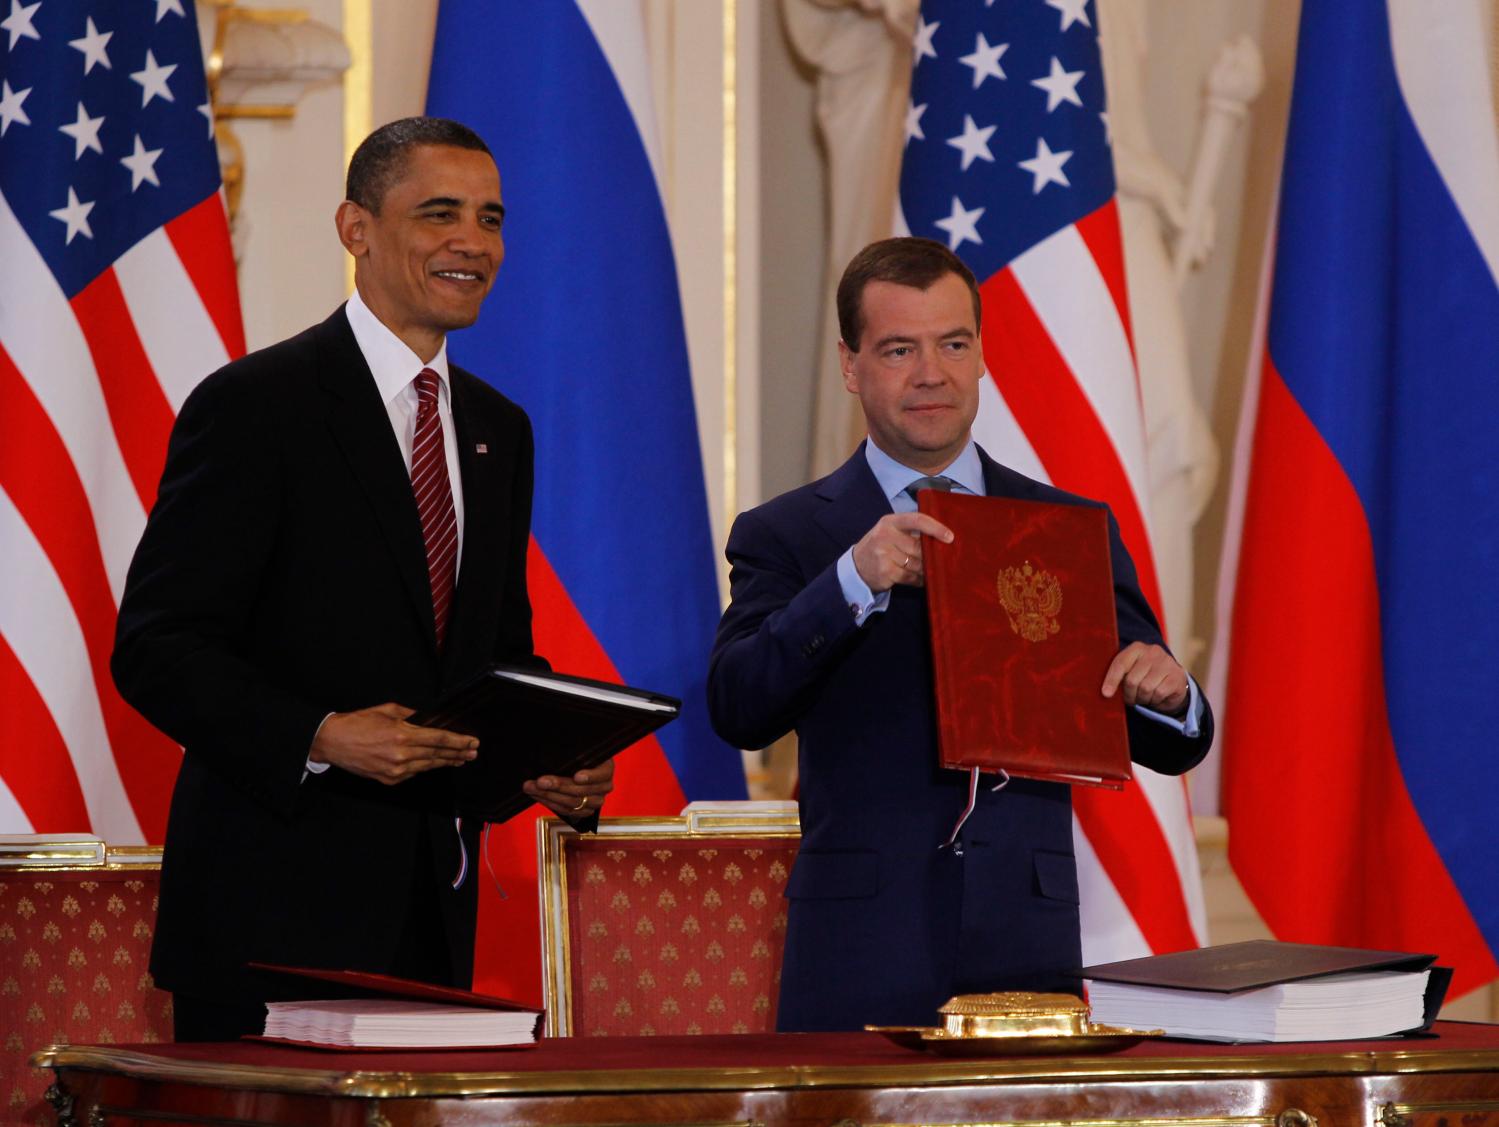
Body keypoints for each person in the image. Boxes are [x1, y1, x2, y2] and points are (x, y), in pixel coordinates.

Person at [111, 117, 613, 1043]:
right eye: (439, 213)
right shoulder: (257, 406)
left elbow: (491, 655)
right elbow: (156, 646)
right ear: (356, 228)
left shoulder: (496, 429)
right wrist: (320, 735)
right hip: (266, 919)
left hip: (431, 919)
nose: (474, 241)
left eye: (491, 218)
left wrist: (551, 753)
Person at [707, 237, 1213, 1033]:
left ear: (980, 355)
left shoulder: (1064, 525)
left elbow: (1168, 736)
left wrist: (1173, 692)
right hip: (858, 946)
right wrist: (852, 579)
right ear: (851, 366)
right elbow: (738, 704)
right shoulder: (789, 533)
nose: (930, 373)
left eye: (952, 343)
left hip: (1025, 943)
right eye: (898, 349)